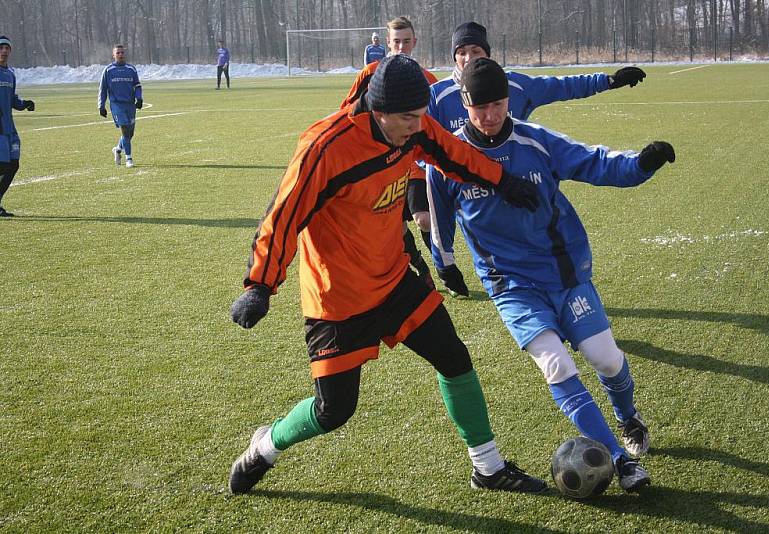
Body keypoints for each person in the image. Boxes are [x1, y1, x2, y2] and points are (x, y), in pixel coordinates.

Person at [227, 55, 545, 496]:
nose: (419, 126)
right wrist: (260, 286)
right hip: (337, 298)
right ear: (379, 114)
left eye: (422, 116)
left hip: (394, 277)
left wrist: (501, 179)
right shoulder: (325, 148)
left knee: (454, 357)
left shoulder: (412, 124)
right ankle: (266, 445)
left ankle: (487, 467)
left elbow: (452, 153)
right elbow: (282, 217)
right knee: (334, 410)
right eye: (409, 119)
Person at [428, 58, 676, 492]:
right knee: (556, 364)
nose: (489, 116)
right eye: (479, 106)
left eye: (498, 104)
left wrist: (642, 164)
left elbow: (593, 162)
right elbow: (439, 220)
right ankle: (618, 462)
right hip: (510, 285)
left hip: (563, 272)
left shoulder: (535, 141)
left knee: (607, 359)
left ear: (509, 100)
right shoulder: (444, 160)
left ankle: (627, 418)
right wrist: (444, 263)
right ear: (464, 103)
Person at [426, 21, 648, 298]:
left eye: (476, 50)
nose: (469, 57)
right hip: (472, 194)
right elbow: (425, 146)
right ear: (454, 56)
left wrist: (608, 81)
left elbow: (562, 86)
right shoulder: (437, 95)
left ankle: (559, 310)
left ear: (488, 53)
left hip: (522, 182)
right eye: (462, 52)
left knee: (540, 241)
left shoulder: (514, 84)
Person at [341, 16, 438, 286]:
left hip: (415, 165)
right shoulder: (369, 74)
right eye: (396, 42)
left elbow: (440, 124)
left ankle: (443, 265)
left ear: (414, 42)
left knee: (424, 220)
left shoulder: (429, 79)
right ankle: (420, 268)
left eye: (407, 41)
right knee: (394, 226)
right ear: (388, 43)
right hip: (379, 168)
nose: (401, 47)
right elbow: (345, 114)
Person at [0, 36, 35, 218]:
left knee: (13, 165)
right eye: (1, 48)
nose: (4, 51)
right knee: (3, 165)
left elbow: (12, 99)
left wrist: (24, 104)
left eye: (7, 48)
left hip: (9, 128)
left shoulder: (10, 74)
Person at [98, 44, 143, 168]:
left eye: (122, 52)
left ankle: (117, 149)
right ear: (113, 55)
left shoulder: (131, 69)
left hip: (130, 105)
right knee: (124, 131)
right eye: (118, 53)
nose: (120, 55)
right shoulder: (108, 70)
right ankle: (129, 158)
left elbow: (137, 85)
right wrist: (101, 106)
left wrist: (139, 98)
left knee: (130, 134)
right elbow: (103, 89)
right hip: (117, 105)